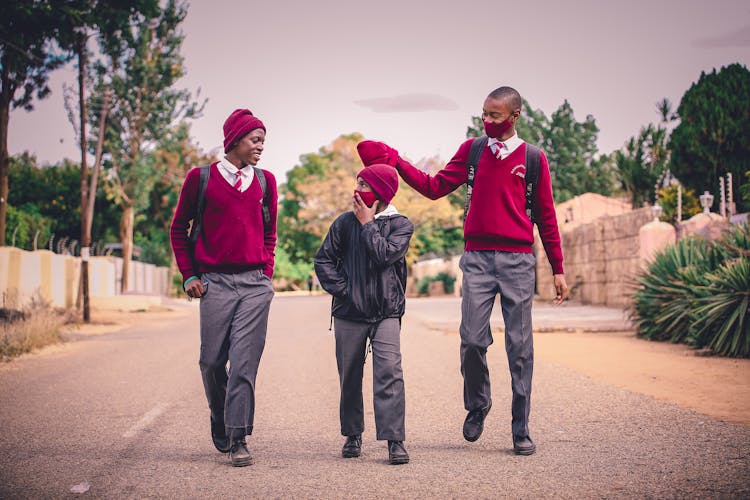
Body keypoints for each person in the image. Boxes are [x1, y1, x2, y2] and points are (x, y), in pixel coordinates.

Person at [357, 86, 569, 456]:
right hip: (477, 260)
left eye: (495, 116)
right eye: (484, 114)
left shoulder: (533, 159)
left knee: (520, 348)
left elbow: (547, 217)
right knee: (472, 340)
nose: (486, 121)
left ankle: (521, 429)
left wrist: (558, 268)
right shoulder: (472, 151)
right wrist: (396, 161)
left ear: (515, 117)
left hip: (518, 261)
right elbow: (434, 187)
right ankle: (478, 403)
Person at [170, 108, 277, 467]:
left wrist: (266, 274)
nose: (261, 146)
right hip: (213, 283)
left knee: (244, 362)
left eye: (263, 140)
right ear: (235, 140)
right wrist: (189, 275)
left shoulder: (265, 182)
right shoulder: (200, 179)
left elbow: (270, 234)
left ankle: (238, 437)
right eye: (255, 139)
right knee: (212, 362)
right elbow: (178, 229)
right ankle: (220, 415)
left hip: (254, 285)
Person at [314, 163, 414, 465]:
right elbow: (324, 261)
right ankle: (352, 434)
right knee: (350, 376)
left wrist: (368, 223)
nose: (358, 190)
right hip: (348, 312)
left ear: (381, 191)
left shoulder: (401, 225)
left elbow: (384, 255)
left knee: (390, 374)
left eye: (365, 185)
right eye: (357, 183)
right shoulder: (343, 224)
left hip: (386, 311)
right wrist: (346, 291)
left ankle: (394, 439)